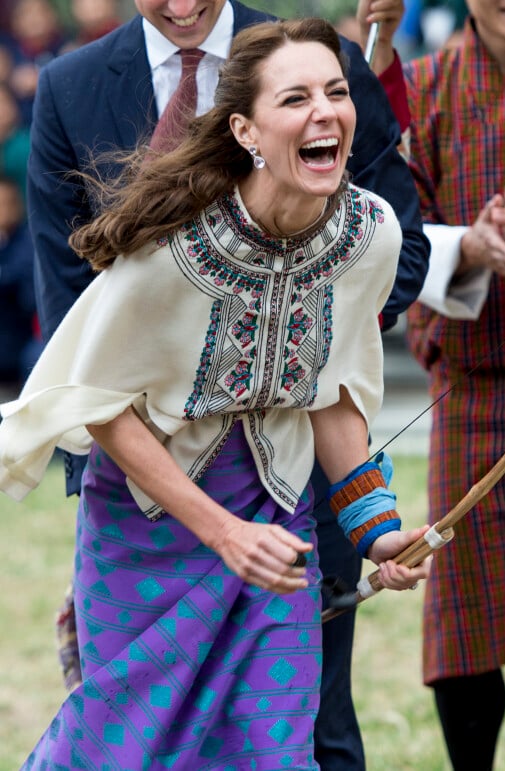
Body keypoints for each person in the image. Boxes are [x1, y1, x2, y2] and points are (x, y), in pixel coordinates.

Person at [0, 18, 432, 768]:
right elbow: (98, 400)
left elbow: (331, 393)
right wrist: (221, 532)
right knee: (124, 750)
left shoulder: (371, 234)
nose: (325, 111)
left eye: (335, 92)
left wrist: (378, 531)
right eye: (295, 98)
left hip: (276, 514)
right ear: (247, 130)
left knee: (272, 750)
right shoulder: (170, 247)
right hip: (144, 526)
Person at [358, 1, 505, 768]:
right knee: (464, 634)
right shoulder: (415, 84)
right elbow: (385, 219)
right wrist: (469, 247)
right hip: (477, 390)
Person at [0, 174, 41, 401]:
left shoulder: (28, 242)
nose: (3, 211)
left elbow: (29, 297)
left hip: (18, 343)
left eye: (8, 203)